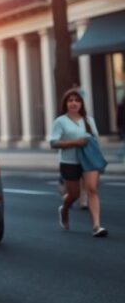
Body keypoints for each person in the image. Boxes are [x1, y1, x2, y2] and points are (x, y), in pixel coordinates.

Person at [49, 89, 107, 237]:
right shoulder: (60, 121)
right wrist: (75, 142)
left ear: (81, 103)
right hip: (69, 162)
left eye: (77, 100)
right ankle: (64, 209)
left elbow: (95, 140)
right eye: (70, 100)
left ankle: (96, 226)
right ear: (65, 104)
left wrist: (97, 157)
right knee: (74, 194)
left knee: (92, 189)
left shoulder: (89, 120)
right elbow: (53, 143)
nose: (74, 103)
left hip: (89, 160)